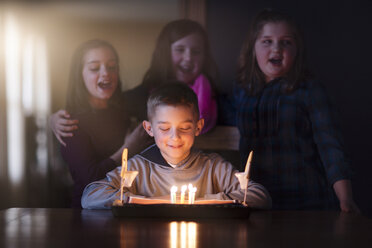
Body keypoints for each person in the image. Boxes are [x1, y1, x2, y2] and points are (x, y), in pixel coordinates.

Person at [233, 9, 359, 212]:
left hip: (307, 203)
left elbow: (331, 147)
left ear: (297, 50)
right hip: (257, 202)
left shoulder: (309, 90)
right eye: (267, 41)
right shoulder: (243, 91)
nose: (276, 49)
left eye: (286, 42)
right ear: (253, 48)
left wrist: (346, 199)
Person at [81, 83, 271, 210]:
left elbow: (260, 196)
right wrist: (138, 201)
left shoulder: (214, 167)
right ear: (149, 128)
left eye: (185, 127)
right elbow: (90, 196)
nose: (175, 136)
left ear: (198, 127)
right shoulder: (137, 168)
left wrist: (205, 202)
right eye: (164, 128)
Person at [50, 19, 218, 144]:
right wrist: (52, 119)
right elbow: (102, 106)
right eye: (180, 50)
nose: (188, 57)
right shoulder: (140, 96)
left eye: (196, 51)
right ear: (165, 54)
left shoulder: (216, 98)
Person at [60, 39, 151, 208]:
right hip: (89, 213)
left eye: (112, 67)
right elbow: (90, 179)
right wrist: (128, 149)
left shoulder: (125, 111)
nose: (106, 73)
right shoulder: (70, 124)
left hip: (126, 207)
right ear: (79, 75)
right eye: (95, 68)